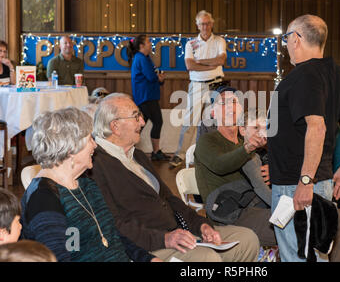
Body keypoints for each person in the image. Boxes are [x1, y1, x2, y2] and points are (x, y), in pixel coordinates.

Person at [89, 93, 259, 262]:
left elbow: (169, 199)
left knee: (247, 240)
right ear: (115, 127)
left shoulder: (138, 156)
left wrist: (201, 225)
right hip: (149, 246)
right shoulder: (96, 165)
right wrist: (165, 238)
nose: (142, 122)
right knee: (206, 259)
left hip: (180, 231)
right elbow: (113, 224)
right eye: (136, 117)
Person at [267, 14, 340, 262]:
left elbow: (317, 127)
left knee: (297, 256)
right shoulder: (336, 74)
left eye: (287, 37)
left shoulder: (303, 76)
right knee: (313, 254)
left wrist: (305, 181)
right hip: (317, 180)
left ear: (297, 38)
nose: (286, 43)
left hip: (297, 182)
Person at [20, 107, 162, 262]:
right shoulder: (43, 199)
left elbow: (113, 234)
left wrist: (147, 258)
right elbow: (59, 257)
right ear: (71, 149)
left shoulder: (85, 183)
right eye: (90, 139)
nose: (95, 145)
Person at [194, 87, 276, 247]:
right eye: (223, 103)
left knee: (334, 220)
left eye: (235, 101)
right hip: (228, 214)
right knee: (298, 226)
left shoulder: (247, 144)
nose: (231, 106)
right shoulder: (208, 141)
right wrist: (248, 148)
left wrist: (273, 172)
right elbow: (221, 164)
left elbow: (261, 179)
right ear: (212, 114)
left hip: (253, 206)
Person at [170, 10, 227, 168]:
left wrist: (200, 62)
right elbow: (189, 65)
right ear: (197, 25)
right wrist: (211, 63)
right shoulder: (190, 44)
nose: (205, 26)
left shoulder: (219, 41)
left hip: (215, 84)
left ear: (212, 24)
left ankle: (210, 154)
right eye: (202, 23)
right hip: (196, 84)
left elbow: (221, 60)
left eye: (208, 23)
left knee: (212, 121)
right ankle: (179, 155)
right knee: (190, 121)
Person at [126, 35, 169, 161]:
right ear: (141, 46)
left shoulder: (145, 58)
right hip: (146, 97)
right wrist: (159, 77)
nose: (151, 44)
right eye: (148, 42)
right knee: (155, 122)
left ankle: (128, 149)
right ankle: (155, 152)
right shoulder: (141, 58)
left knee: (140, 125)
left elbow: (153, 76)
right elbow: (151, 76)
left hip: (147, 96)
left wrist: (159, 78)